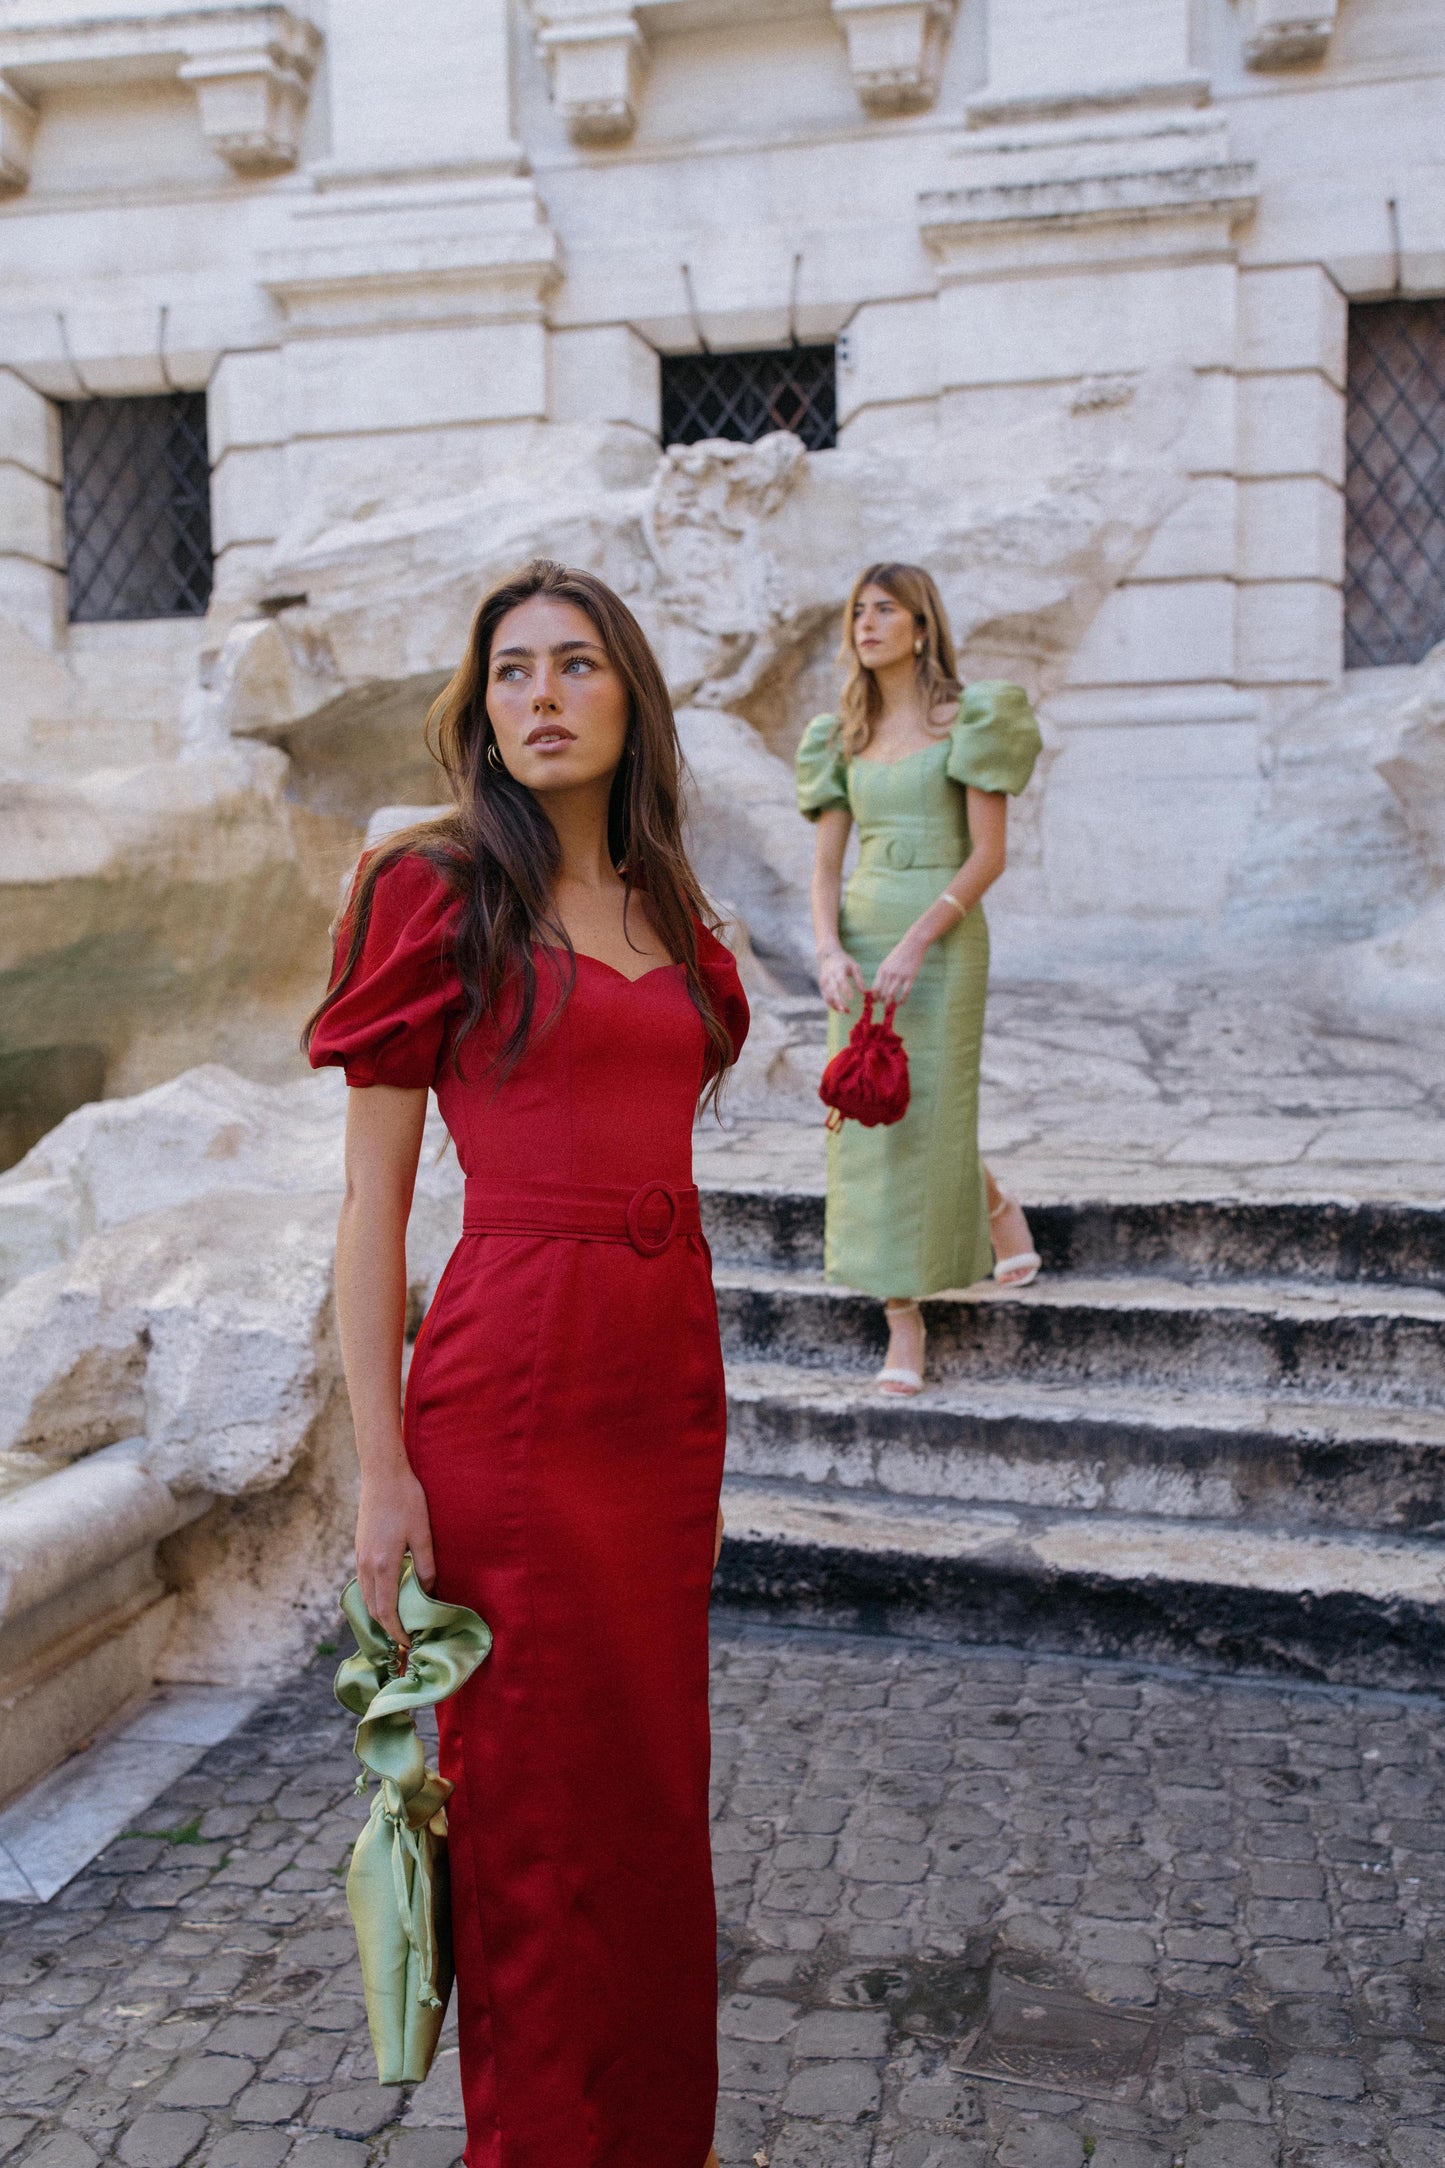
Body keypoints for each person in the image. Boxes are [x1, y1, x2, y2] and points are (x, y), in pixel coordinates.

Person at [305, 559, 747, 2168]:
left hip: (662, 1392)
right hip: (513, 1394)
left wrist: (713, 1445)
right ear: (478, 708)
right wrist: (382, 1469)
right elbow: (372, 1206)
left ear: (628, 697)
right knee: (539, 1836)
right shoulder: (428, 890)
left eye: (574, 666)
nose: (540, 696)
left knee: (649, 1821)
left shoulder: (669, 901)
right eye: (510, 673)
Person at [797, 561, 1042, 1395]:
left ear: (921, 627)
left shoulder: (969, 718)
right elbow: (825, 868)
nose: (866, 624)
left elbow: (989, 855)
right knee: (874, 1113)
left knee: (931, 1106)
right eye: (857, 610)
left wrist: (916, 943)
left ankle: (994, 1209)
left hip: (941, 937)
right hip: (864, 938)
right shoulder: (841, 734)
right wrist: (830, 950)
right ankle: (901, 1319)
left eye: (885, 610)